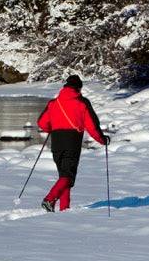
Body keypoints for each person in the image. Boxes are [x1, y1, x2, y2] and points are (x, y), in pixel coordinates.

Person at [36, 74, 108, 212]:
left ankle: (65, 210)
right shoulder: (82, 103)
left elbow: (42, 123)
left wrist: (52, 127)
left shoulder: (53, 103)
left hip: (56, 142)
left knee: (64, 176)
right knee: (67, 176)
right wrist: (102, 140)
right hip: (72, 141)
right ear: (79, 88)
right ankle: (49, 199)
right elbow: (92, 126)